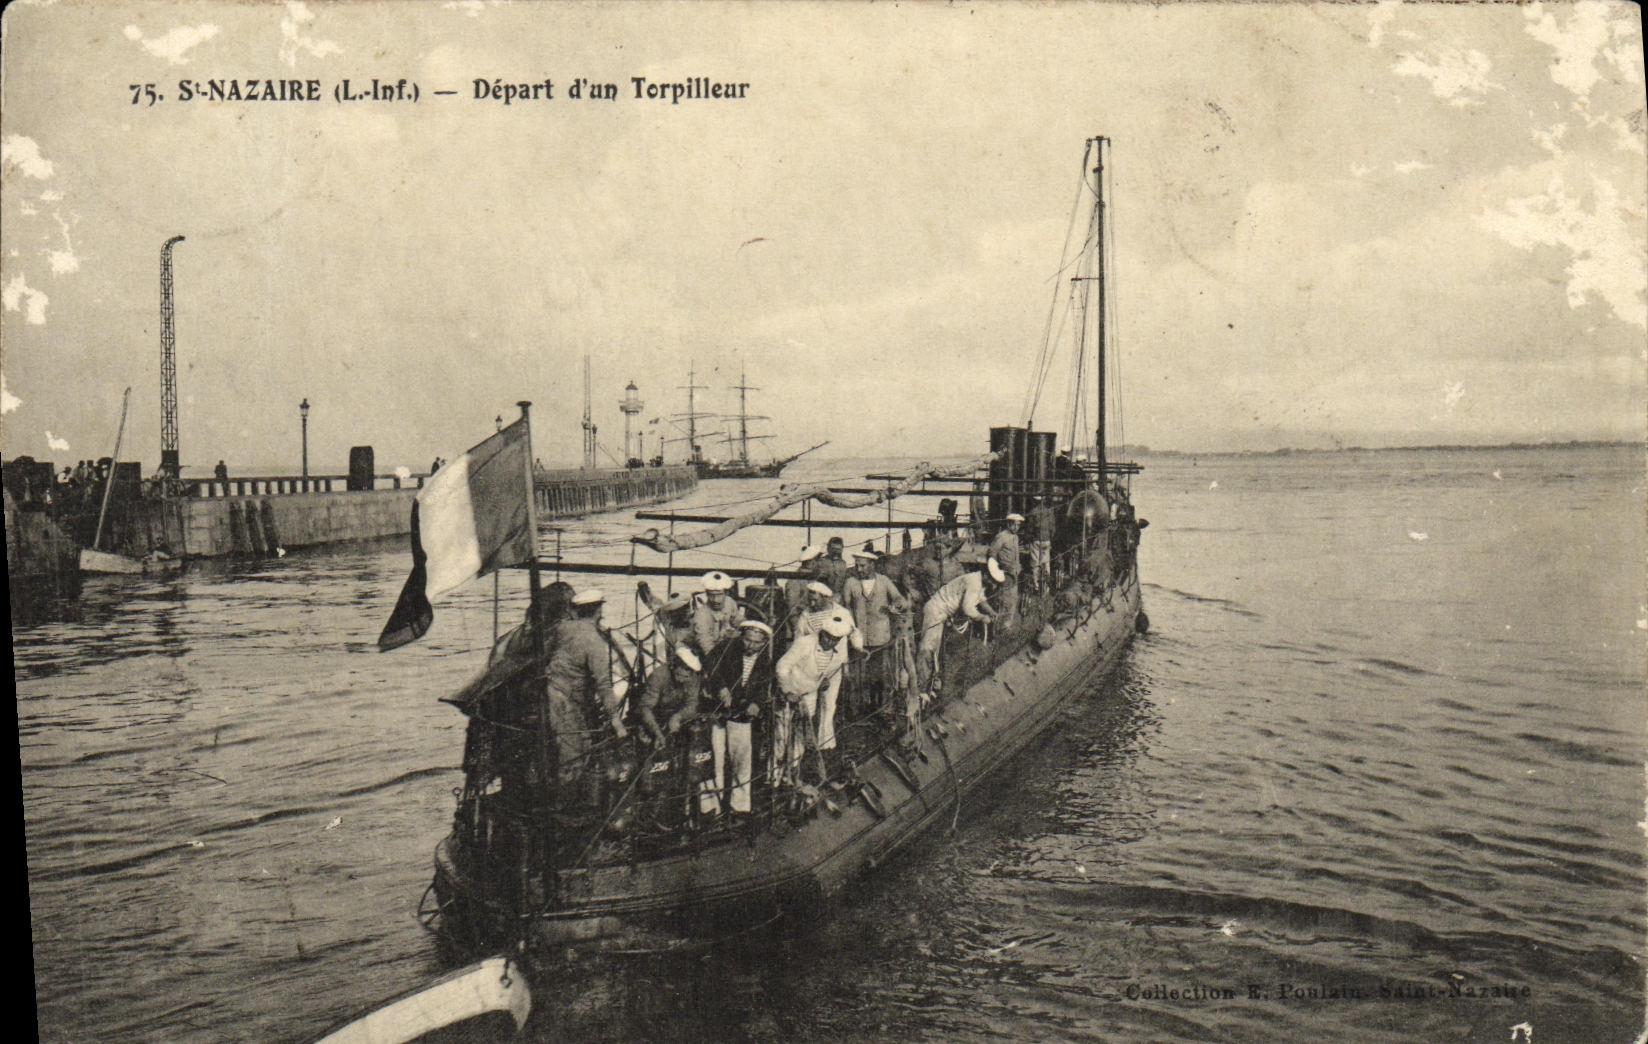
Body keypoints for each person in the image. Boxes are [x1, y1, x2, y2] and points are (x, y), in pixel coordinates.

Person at [543, 589, 628, 813]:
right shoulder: (594, 641)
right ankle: (565, 812)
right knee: (573, 754)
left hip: (554, 694)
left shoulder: (562, 628)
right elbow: (603, 684)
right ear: (599, 611)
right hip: (566, 701)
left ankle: (572, 802)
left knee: (582, 746)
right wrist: (616, 722)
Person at [704, 619, 776, 816]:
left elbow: (762, 687)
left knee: (741, 760)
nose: (750, 646)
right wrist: (721, 688)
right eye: (747, 640)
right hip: (719, 711)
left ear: (764, 643)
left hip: (741, 715)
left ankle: (740, 806)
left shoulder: (764, 662)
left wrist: (756, 704)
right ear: (741, 637)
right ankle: (711, 807)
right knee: (714, 759)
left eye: (756, 642)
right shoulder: (727, 647)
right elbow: (711, 664)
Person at [775, 608, 853, 783]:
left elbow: (827, 670)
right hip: (789, 693)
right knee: (782, 736)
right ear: (822, 633)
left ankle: (792, 776)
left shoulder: (837, 654)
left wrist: (822, 681)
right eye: (827, 637)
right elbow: (782, 666)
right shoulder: (805, 643)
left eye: (834, 640)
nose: (829, 642)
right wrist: (787, 690)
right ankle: (775, 779)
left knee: (801, 738)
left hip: (809, 696)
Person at [839, 549, 908, 718]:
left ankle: (883, 710)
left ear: (872, 565)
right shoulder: (851, 583)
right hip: (859, 639)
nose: (859, 569)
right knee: (858, 677)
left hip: (881, 638)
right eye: (857, 566)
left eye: (863, 566)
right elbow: (846, 608)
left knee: (881, 677)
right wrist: (850, 630)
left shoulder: (884, 582)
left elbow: (900, 600)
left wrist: (896, 606)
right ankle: (857, 712)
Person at [917, 560, 1002, 697]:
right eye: (992, 581)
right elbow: (967, 608)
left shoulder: (976, 579)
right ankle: (920, 690)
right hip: (936, 612)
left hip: (941, 613)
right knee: (927, 649)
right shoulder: (974, 583)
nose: (993, 585)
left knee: (936, 651)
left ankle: (929, 685)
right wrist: (981, 617)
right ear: (986, 576)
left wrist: (991, 612)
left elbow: (981, 599)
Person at [692, 570, 744, 653]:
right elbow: (706, 644)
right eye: (711, 595)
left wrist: (747, 627)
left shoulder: (729, 602)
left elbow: (737, 620)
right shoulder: (701, 615)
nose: (716, 600)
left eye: (719, 594)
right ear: (707, 594)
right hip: (707, 652)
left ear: (726, 593)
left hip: (724, 645)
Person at [989, 513, 1023, 621]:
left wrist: (1018, 566)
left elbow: (1016, 555)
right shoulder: (1002, 536)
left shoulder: (1015, 537)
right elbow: (992, 553)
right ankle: (1000, 625)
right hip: (1004, 572)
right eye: (1014, 525)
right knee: (1004, 599)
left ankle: (1008, 625)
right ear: (1008, 524)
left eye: (1018, 525)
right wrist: (996, 571)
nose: (1016, 528)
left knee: (1013, 599)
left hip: (1014, 573)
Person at [1027, 497, 1056, 591]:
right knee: (1046, 563)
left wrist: (1028, 538)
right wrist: (1050, 538)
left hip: (1036, 541)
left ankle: (1037, 587)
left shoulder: (1033, 512)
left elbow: (1030, 528)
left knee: (1035, 564)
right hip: (1046, 540)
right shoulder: (1049, 512)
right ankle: (1046, 588)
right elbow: (1052, 528)